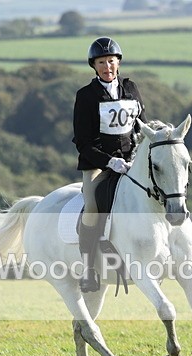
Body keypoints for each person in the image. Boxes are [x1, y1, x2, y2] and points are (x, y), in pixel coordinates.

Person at [72, 36, 147, 293]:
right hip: (97, 163)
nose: (107, 67)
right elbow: (82, 142)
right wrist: (109, 162)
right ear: (94, 66)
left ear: (118, 63)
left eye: (111, 61)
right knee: (93, 207)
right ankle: (88, 268)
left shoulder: (131, 88)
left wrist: (139, 153)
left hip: (131, 160)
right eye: (102, 62)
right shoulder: (86, 96)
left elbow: (142, 125)